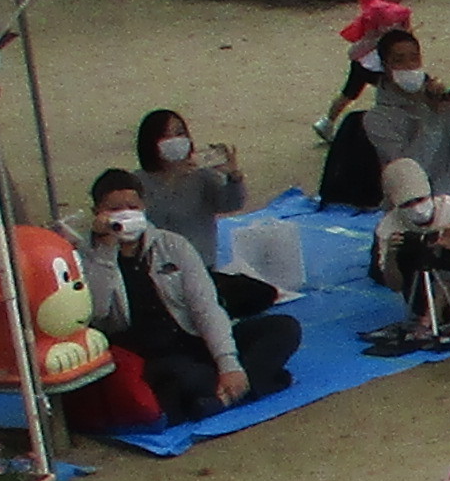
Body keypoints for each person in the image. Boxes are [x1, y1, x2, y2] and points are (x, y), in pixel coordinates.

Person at [85, 172, 296, 418]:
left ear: (144, 207)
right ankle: (258, 382)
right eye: (114, 208)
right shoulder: (87, 256)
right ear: (97, 212)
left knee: (284, 328)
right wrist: (105, 252)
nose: (125, 214)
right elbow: (97, 312)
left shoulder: (173, 246)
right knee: (189, 378)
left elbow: (205, 307)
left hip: (193, 339)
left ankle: (223, 398)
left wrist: (228, 363)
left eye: (132, 207)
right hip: (150, 357)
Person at [365, 160, 450, 349]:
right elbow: (395, 285)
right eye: (407, 204)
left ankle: (432, 316)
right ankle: (438, 310)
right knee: (413, 249)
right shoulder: (388, 227)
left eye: (420, 200)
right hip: (420, 291)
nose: (416, 208)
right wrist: (391, 257)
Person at [314, 0, 415, 207]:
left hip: (371, 60)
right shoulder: (377, 9)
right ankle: (329, 121)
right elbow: (385, 23)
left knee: (350, 92)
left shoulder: (381, 8)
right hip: (372, 60)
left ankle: (327, 121)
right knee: (363, 92)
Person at [359, 26, 450, 197]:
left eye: (414, 58)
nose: (409, 66)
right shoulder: (378, 119)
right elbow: (412, 174)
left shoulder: (442, 100)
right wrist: (433, 118)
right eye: (399, 60)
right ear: (385, 66)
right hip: (413, 210)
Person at [133, 108, 251, 273]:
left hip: (200, 266)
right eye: (166, 135)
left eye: (180, 133)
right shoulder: (137, 182)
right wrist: (173, 179)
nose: (175, 140)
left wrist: (234, 177)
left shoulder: (202, 176)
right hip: (155, 268)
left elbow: (231, 204)